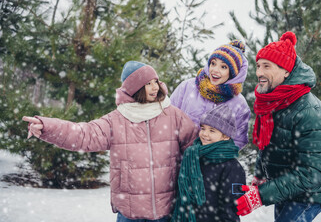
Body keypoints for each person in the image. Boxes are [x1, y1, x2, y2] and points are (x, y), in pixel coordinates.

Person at [22, 61, 199, 222]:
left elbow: (195, 146)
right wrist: (47, 127)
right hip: (129, 211)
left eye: (155, 81)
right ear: (135, 88)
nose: (155, 87)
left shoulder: (172, 114)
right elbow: (84, 134)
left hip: (166, 209)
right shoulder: (117, 119)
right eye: (147, 84)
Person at [235, 31, 321, 222]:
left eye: (267, 66)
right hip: (285, 185)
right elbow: (268, 145)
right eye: (258, 66)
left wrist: (261, 195)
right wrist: (260, 177)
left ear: (286, 71)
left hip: (310, 193)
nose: (259, 73)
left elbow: (310, 174)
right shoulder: (274, 100)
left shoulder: (310, 112)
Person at [171, 104, 246, 222]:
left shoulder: (232, 167)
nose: (205, 134)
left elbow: (231, 208)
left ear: (225, 136)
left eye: (212, 131)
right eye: (203, 128)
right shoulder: (193, 156)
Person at [170, 40, 251, 150]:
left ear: (233, 73)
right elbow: (168, 118)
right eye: (213, 63)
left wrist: (213, 158)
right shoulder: (188, 87)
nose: (215, 70)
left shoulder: (239, 104)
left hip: (211, 164)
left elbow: (238, 141)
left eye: (223, 67)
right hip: (178, 158)